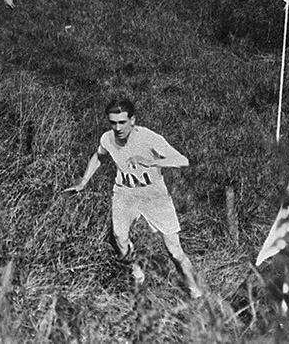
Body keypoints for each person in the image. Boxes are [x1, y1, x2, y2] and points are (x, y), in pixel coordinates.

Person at [65, 98, 203, 299]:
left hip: (153, 194)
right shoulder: (108, 138)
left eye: (122, 122)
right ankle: (138, 276)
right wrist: (83, 182)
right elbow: (99, 156)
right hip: (124, 193)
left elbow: (182, 160)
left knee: (174, 251)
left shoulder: (149, 138)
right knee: (120, 238)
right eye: (113, 123)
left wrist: (151, 161)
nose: (118, 128)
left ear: (133, 121)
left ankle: (195, 291)